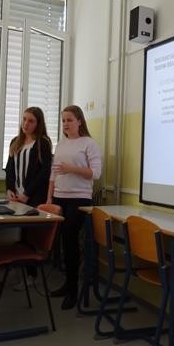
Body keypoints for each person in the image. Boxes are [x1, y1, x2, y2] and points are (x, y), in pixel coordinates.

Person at [47, 105, 102, 310]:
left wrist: (72, 169)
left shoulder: (89, 144)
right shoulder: (61, 145)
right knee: (62, 242)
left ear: (79, 121)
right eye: (63, 120)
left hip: (79, 199)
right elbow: (53, 174)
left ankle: (73, 290)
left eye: (69, 120)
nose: (66, 124)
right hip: (59, 197)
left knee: (70, 242)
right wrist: (49, 198)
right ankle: (67, 284)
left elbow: (96, 173)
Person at [5, 106, 52, 207]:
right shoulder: (15, 141)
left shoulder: (43, 142)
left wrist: (27, 194)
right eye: (24, 119)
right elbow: (9, 169)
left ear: (38, 124)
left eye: (31, 121)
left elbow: (45, 172)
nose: (26, 123)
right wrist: (9, 189)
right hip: (16, 195)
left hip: (34, 197)